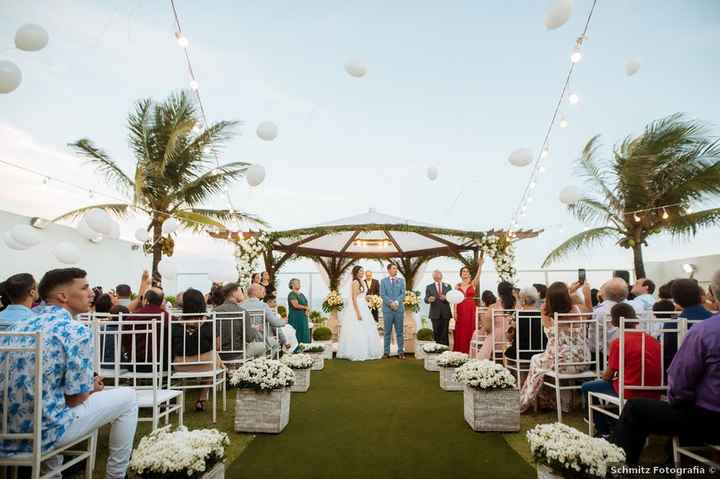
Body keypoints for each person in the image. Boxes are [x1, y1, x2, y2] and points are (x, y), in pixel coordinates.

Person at [0, 268, 138, 477]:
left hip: (8, 431)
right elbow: (75, 399)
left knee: (52, 403)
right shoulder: (75, 330)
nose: (91, 293)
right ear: (63, 296)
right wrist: (91, 388)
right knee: (128, 398)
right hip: (47, 432)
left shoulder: (17, 326)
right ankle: (117, 475)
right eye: (84, 288)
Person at [612, 313, 720, 465]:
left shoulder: (705, 330)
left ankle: (618, 468)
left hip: (709, 421)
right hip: (707, 415)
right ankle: (674, 460)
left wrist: (679, 399)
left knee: (634, 408)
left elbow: (680, 381)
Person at [581, 303, 662, 437]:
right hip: (654, 390)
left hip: (629, 390)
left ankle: (603, 430)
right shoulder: (653, 341)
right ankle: (613, 420)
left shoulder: (619, 342)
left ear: (613, 321)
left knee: (587, 387)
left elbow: (607, 376)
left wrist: (604, 374)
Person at [520, 281, 591, 412]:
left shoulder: (547, 314)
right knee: (540, 361)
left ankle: (527, 399)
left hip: (562, 363)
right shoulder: (580, 310)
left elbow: (549, 305)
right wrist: (575, 292)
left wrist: (564, 292)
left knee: (535, 360)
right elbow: (589, 309)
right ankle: (562, 403)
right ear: (567, 297)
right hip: (584, 361)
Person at [171, 288, 223, 412]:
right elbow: (218, 346)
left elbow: (172, 345)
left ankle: (181, 400)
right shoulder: (210, 321)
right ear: (202, 303)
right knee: (213, 357)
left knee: (212, 357)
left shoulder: (175, 322)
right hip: (206, 366)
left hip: (180, 366)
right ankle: (201, 398)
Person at [662, 278, 713, 373]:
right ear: (700, 295)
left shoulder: (671, 324)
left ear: (676, 301)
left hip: (681, 374)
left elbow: (668, 356)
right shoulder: (714, 320)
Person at [337, 266, 383, 361]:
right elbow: (354, 298)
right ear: (356, 272)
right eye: (361, 271)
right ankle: (356, 351)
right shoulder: (355, 282)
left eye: (363, 271)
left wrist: (369, 297)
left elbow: (361, 296)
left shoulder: (362, 281)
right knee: (357, 328)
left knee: (366, 328)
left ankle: (368, 350)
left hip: (363, 306)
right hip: (356, 307)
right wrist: (357, 313)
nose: (362, 272)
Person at [123, 288, 171, 370]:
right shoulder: (168, 318)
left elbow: (124, 342)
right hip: (163, 365)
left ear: (146, 300)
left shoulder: (131, 318)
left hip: (135, 364)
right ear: (161, 301)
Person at [504, 286, 546, 369]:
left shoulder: (517, 315)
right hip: (541, 351)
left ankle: (510, 375)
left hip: (521, 352)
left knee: (505, 348)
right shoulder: (542, 315)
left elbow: (509, 336)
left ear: (523, 300)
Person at [214, 282, 259, 358]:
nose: (243, 294)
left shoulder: (214, 311)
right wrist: (254, 329)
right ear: (234, 293)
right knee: (262, 347)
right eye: (241, 291)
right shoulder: (242, 312)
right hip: (238, 353)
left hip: (217, 355)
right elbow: (249, 338)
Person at [242, 284, 287, 356]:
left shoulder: (241, 306)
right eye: (260, 289)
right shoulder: (263, 305)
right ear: (255, 292)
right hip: (260, 341)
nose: (263, 291)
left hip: (244, 342)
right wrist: (284, 321)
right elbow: (275, 323)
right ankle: (270, 363)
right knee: (275, 345)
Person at [477, 280, 515, 360]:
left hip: (497, 340)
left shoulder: (493, 307)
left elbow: (487, 327)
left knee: (489, 336)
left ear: (498, 293)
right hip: (514, 339)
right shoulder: (518, 306)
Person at [452, 262, 482, 354]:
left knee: (470, 328)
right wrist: (454, 312)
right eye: (463, 271)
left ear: (469, 274)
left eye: (467, 271)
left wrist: (480, 265)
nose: (465, 273)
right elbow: (455, 299)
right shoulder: (457, 286)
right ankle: (460, 350)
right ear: (461, 274)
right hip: (460, 307)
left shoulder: (473, 284)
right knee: (460, 330)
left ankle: (470, 351)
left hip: (470, 308)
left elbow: (478, 275)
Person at [380, 263, 406, 359]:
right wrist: (390, 303)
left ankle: (401, 352)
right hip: (387, 310)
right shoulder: (383, 281)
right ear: (389, 270)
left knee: (400, 332)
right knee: (387, 332)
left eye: (396, 268)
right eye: (394, 268)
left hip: (399, 309)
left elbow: (403, 294)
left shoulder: (401, 281)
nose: (396, 270)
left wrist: (396, 302)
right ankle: (386, 352)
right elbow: (382, 294)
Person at [424, 270, 452, 346]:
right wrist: (429, 299)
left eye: (439, 275)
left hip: (445, 313)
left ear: (441, 276)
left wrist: (446, 298)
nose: (437, 277)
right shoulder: (429, 287)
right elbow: (425, 299)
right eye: (435, 275)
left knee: (445, 333)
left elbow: (452, 298)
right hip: (434, 314)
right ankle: (437, 349)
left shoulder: (448, 286)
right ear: (433, 277)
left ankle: (445, 350)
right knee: (436, 332)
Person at [287, 279, 311, 344]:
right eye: (297, 283)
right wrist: (306, 308)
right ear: (292, 285)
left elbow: (305, 304)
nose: (299, 284)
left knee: (304, 332)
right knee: (297, 333)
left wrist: (307, 310)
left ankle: (305, 348)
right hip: (295, 318)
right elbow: (296, 305)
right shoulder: (292, 294)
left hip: (303, 317)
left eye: (299, 283)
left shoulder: (301, 294)